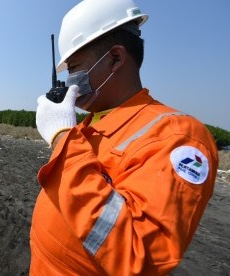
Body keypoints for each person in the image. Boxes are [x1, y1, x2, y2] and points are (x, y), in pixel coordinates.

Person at [32, 0, 218, 275]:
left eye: (74, 68)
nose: (70, 80)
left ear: (116, 58)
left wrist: (61, 138)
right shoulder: (87, 125)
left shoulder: (178, 137)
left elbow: (139, 258)